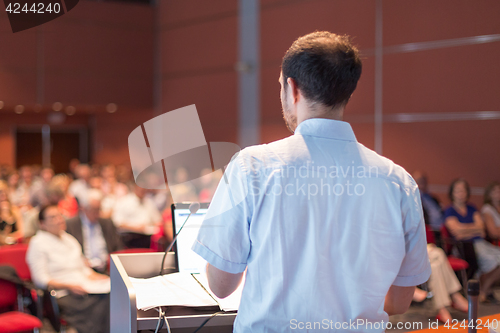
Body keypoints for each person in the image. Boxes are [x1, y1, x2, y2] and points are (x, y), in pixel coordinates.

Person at [192, 32, 431, 332]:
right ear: (347, 93)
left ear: (292, 89)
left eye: (280, 86)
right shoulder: (399, 182)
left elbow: (221, 285)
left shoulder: (252, 166)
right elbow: (398, 303)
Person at [26, 205, 110, 333]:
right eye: (53, 217)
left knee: (112, 293)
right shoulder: (38, 243)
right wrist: (70, 286)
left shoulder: (68, 239)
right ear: (42, 224)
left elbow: (83, 268)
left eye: (60, 215)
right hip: (63, 293)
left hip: (84, 286)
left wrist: (98, 277)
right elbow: (40, 280)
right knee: (104, 302)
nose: (59, 219)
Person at [444, 178, 500, 302]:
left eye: (463, 191)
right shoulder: (449, 210)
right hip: (463, 247)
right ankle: (483, 291)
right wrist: (474, 229)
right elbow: (455, 232)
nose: (461, 194)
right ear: (452, 193)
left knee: (496, 261)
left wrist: (463, 229)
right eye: (458, 191)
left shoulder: (472, 208)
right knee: (491, 261)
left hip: (480, 243)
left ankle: (484, 290)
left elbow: (482, 229)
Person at [66, 189, 122, 273]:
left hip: (106, 268)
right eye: (94, 210)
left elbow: (118, 247)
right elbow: (67, 251)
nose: (97, 213)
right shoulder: (71, 225)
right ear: (84, 208)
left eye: (99, 209)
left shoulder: (107, 223)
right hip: (83, 269)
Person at [112, 184, 161, 248]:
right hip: (129, 238)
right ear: (136, 187)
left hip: (147, 237)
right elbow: (117, 222)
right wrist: (136, 228)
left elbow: (158, 220)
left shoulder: (149, 202)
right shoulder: (124, 201)